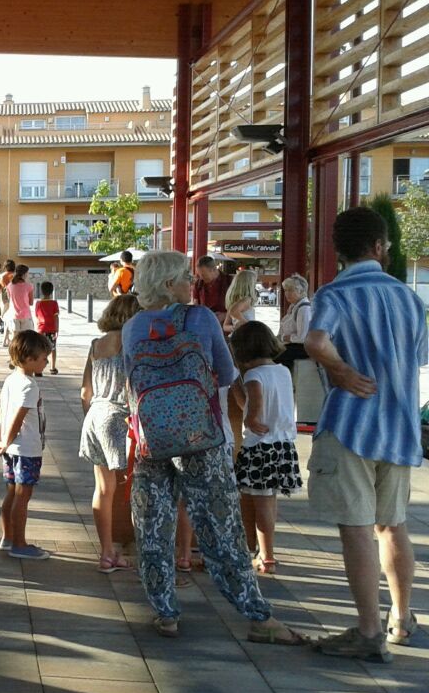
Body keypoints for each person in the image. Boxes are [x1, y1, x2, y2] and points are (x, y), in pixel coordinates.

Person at [123, 250, 306, 644]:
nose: (194, 282)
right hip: (202, 438)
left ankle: (166, 613)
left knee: (153, 528)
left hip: (150, 439)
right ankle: (258, 617)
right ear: (169, 284)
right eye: (186, 277)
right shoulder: (201, 318)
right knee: (221, 527)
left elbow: (131, 381)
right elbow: (225, 373)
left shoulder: (133, 326)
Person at [305, 206, 429, 662]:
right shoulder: (409, 299)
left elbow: (316, 342)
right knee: (392, 525)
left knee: (356, 529)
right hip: (399, 428)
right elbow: (418, 359)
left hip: (351, 426)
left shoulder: (334, 294)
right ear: (379, 246)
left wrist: (338, 369)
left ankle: (369, 631)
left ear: (340, 249)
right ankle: (402, 617)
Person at [229, 321, 300, 575]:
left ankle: (267, 556)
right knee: (269, 502)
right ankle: (265, 550)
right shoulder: (283, 371)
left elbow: (252, 409)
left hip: (260, 449)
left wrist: (251, 419)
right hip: (283, 445)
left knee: (260, 505)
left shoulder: (254, 376)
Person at [79, 294, 141, 573]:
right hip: (121, 417)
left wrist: (90, 418)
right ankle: (142, 549)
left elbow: (85, 392)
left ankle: (106, 553)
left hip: (95, 415)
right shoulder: (133, 344)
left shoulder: (95, 345)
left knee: (103, 489)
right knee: (136, 487)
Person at [0, 330, 51, 559]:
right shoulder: (29, 386)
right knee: (23, 496)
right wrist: (4, 441)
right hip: (26, 450)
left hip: (11, 448)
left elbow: (3, 413)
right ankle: (20, 544)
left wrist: (0, 440)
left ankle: (8, 537)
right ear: (28, 359)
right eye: (43, 358)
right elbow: (18, 417)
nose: (46, 361)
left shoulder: (11, 380)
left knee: (12, 493)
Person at [192, 255, 233, 324]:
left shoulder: (229, 281)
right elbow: (196, 305)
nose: (201, 278)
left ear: (213, 270)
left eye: (203, 275)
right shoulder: (198, 284)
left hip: (226, 324)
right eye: (199, 275)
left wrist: (225, 315)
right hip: (205, 323)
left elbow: (240, 306)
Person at [4, 264, 35, 353]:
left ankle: (13, 357)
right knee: (27, 340)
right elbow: (31, 303)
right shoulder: (29, 286)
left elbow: (10, 300)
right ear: (24, 274)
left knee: (15, 339)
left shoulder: (9, 286)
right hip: (26, 315)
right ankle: (24, 358)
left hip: (13, 315)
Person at [34, 280, 60, 375]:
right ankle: (53, 367)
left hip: (41, 329)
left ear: (41, 291)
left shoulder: (38, 303)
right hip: (52, 329)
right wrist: (57, 330)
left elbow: (36, 315)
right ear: (52, 291)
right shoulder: (54, 303)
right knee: (53, 348)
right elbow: (56, 317)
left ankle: (38, 370)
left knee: (40, 349)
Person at [222, 268, 258, 333]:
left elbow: (225, 326)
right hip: (246, 337)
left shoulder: (233, 303)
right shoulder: (247, 300)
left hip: (237, 336)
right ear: (250, 285)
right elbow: (233, 311)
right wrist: (247, 324)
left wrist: (233, 327)